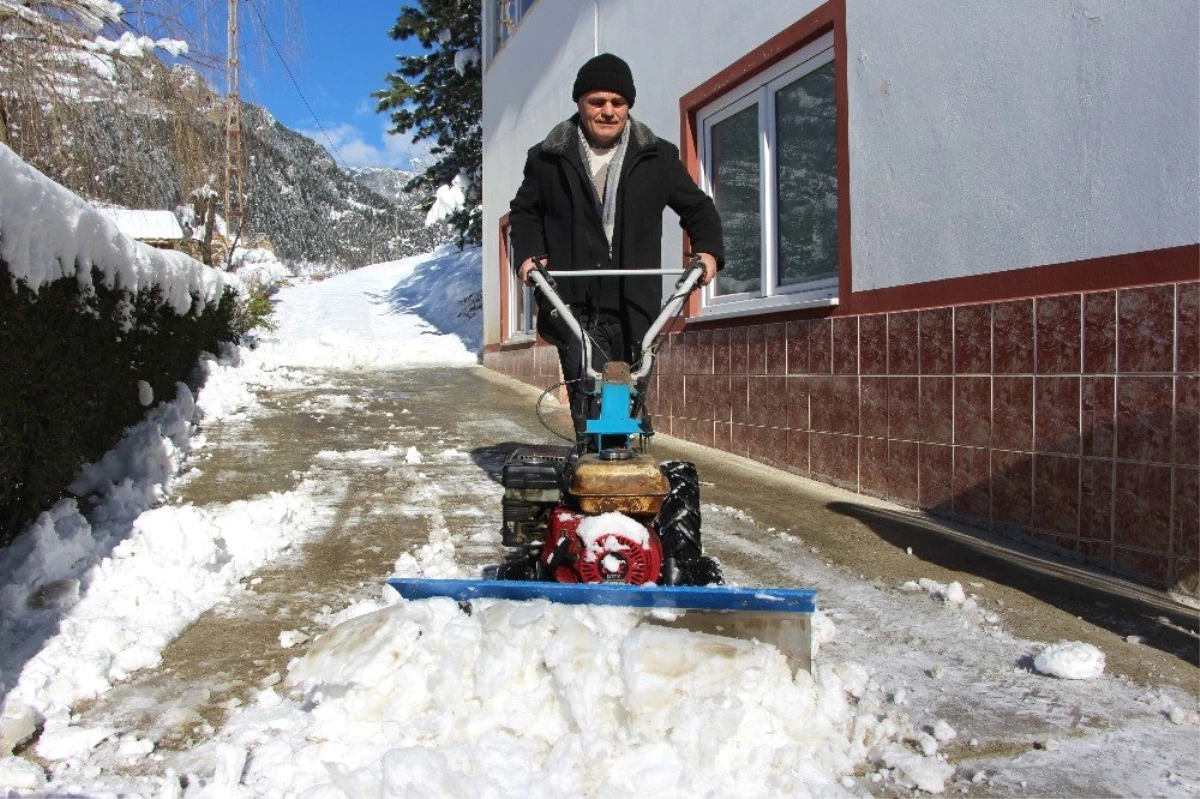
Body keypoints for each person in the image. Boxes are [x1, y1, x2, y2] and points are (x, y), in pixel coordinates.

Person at [508, 53, 724, 442]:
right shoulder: (547, 158)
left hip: (635, 304)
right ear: (580, 103)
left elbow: (698, 208)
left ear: (628, 106)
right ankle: (592, 467)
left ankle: (623, 469)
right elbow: (525, 212)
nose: (608, 111)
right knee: (587, 399)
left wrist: (707, 250)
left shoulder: (657, 157)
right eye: (597, 102)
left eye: (617, 103)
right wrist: (528, 255)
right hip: (573, 304)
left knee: (629, 395)